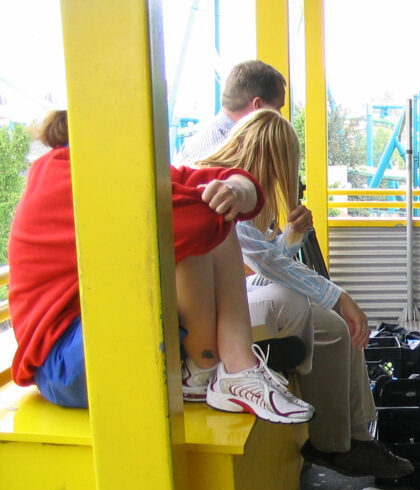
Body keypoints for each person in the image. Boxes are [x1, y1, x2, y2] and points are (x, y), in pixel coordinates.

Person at [6, 110, 314, 425]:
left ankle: (232, 368)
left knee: (217, 221)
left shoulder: (95, 166)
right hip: (66, 363)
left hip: (86, 340)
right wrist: (228, 199)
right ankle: (211, 368)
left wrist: (237, 189)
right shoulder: (72, 177)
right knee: (204, 228)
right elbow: (196, 223)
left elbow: (241, 188)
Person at [196, 108, 413, 479]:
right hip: (211, 315)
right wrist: (338, 296)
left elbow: (265, 258)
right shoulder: (223, 189)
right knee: (327, 323)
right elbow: (266, 264)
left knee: (334, 325)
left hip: (223, 301)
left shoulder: (227, 183)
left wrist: (293, 238)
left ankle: (357, 436)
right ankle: (333, 444)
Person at [175, 59, 286, 165]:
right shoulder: (238, 153)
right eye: (277, 108)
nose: (280, 116)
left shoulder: (192, 148)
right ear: (257, 106)